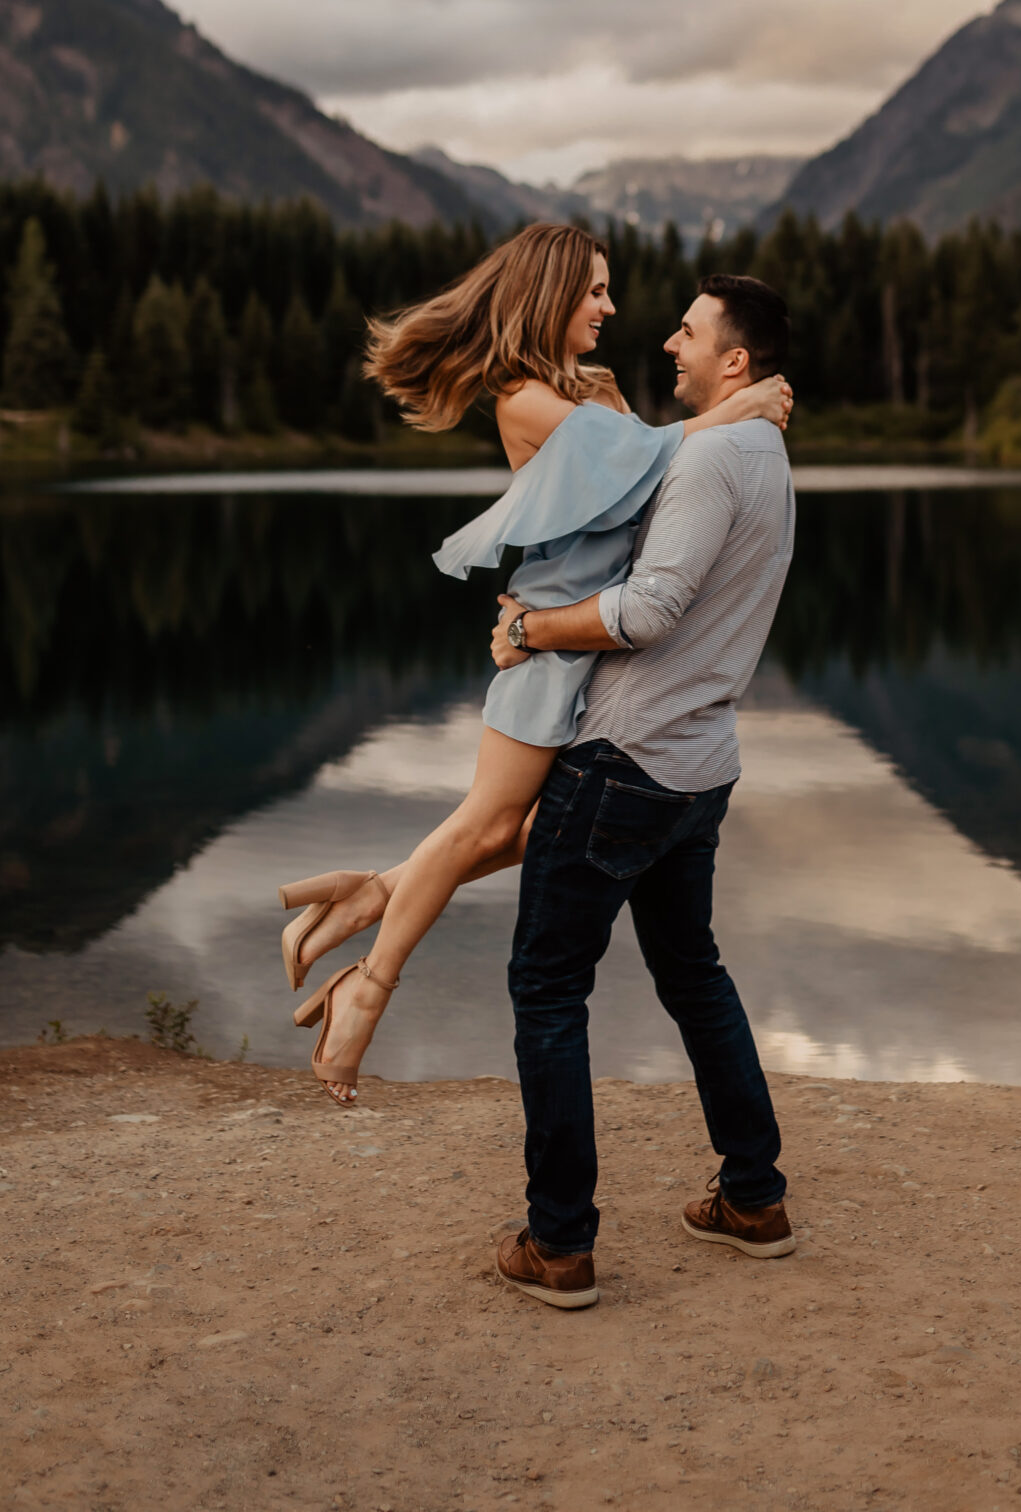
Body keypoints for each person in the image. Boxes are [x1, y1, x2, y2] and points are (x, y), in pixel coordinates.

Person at [277, 224, 792, 1105]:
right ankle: (363, 994)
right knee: (490, 829)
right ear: (550, 295)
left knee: (532, 834)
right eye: (593, 290)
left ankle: (375, 891)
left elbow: (655, 486)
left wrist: (709, 426)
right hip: (544, 652)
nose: (609, 306)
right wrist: (730, 413)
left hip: (580, 648)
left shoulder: (589, 386)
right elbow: (638, 463)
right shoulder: (520, 396)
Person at [490, 271, 797, 1311]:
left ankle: (560, 1243)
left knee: (546, 985)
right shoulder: (762, 447)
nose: (671, 341)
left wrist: (529, 628)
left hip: (624, 760)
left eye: (689, 331)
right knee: (693, 972)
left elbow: (652, 606)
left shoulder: (713, 454)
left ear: (735, 361)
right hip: (700, 768)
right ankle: (753, 1196)